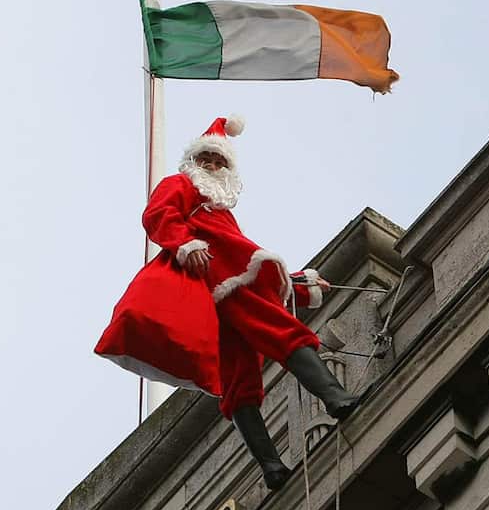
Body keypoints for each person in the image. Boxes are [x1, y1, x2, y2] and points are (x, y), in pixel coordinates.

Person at [95, 115, 359, 490]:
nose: (214, 166)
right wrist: (185, 243)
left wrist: (299, 283)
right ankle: (335, 398)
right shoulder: (184, 187)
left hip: (221, 287)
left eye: (220, 162)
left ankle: (271, 467)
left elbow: (245, 259)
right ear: (195, 161)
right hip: (220, 283)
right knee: (280, 333)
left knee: (239, 377)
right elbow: (158, 214)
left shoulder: (219, 212)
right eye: (207, 159)